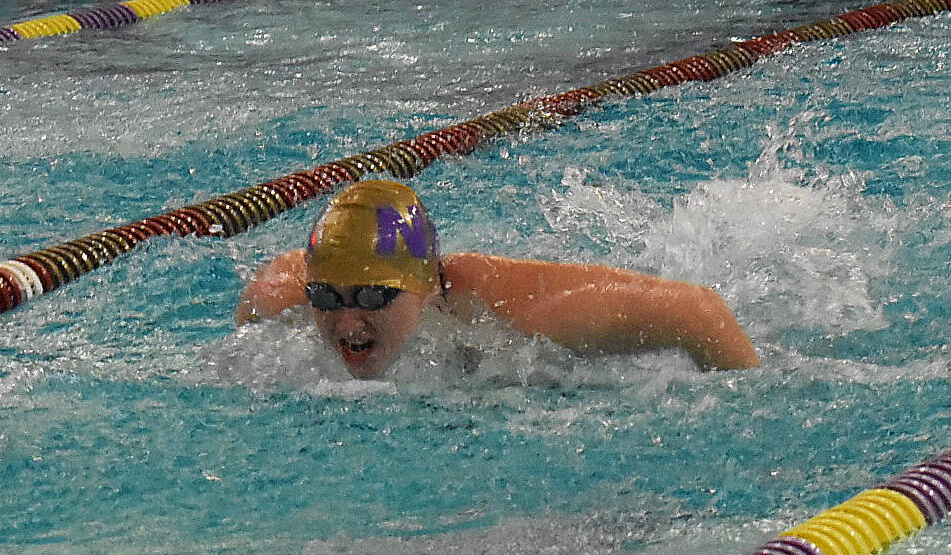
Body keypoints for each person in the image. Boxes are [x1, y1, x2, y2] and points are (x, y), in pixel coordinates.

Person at [236, 180, 761, 378]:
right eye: (327, 296)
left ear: (424, 285)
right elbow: (260, 301)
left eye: (374, 295)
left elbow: (699, 311)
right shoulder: (286, 297)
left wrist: (752, 402)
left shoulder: (516, 317)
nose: (347, 320)